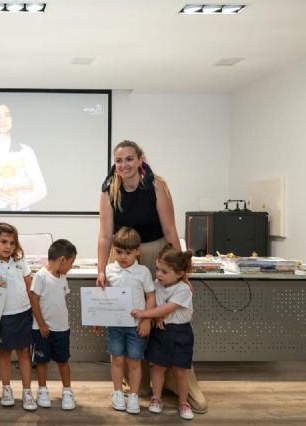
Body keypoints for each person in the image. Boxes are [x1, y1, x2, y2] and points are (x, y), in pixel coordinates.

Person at [96, 140, 207, 413]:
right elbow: (105, 235)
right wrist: (101, 269)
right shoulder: (109, 189)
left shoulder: (156, 185)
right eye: (119, 160)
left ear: (140, 159)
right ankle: (139, 381)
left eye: (129, 159)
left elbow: (170, 230)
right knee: (128, 316)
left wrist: (182, 270)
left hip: (156, 253)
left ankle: (178, 380)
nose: (124, 165)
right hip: (123, 255)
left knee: (162, 316)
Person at [132, 246, 196, 420]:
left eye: (164, 271)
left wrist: (145, 314)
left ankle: (183, 402)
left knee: (180, 371)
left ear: (180, 273)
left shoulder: (183, 289)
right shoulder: (156, 284)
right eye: (157, 269)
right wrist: (157, 317)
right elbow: (154, 302)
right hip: (161, 332)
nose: (158, 274)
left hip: (180, 333)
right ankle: (156, 397)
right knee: (158, 367)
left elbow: (168, 307)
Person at [0, 222, 37, 411]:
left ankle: (27, 391)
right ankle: (6, 389)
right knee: (5, 353)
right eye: (3, 242)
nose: (8, 247)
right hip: (2, 318)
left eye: (12, 243)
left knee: (24, 352)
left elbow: (29, 287)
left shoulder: (20, 262)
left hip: (23, 314)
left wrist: (35, 312)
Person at [103, 227, 155, 414]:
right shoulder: (109, 269)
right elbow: (104, 297)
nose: (123, 256)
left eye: (128, 252)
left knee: (134, 362)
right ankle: (118, 393)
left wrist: (146, 319)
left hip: (136, 326)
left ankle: (133, 395)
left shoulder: (143, 272)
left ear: (137, 251)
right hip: (115, 325)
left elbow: (151, 296)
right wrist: (99, 318)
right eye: (119, 252)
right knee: (117, 360)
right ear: (113, 250)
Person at [29, 238, 77, 410]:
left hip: (62, 329)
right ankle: (42, 390)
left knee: (63, 361)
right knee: (42, 361)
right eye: (71, 263)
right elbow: (34, 300)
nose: (71, 267)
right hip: (42, 329)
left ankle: (67, 391)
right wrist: (42, 324)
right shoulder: (40, 276)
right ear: (62, 259)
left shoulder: (63, 278)